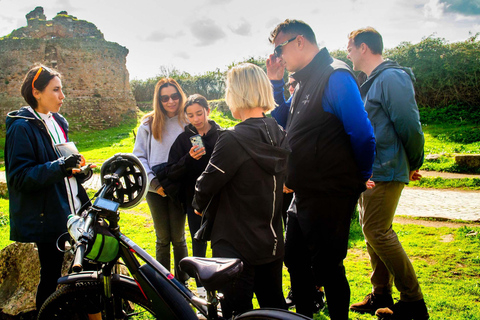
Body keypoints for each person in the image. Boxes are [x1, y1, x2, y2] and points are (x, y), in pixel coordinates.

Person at [268, 19, 376, 319]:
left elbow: (363, 133)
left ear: (300, 42)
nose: (278, 56)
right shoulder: (304, 79)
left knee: (327, 267)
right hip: (304, 194)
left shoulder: (335, 75)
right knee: (294, 259)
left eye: (280, 48)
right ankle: (304, 314)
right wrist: (277, 83)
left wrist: (360, 177)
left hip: (329, 194)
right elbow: (284, 120)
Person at [192, 63, 290, 318]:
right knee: (274, 308)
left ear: (237, 93)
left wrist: (197, 203)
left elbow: (208, 182)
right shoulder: (278, 132)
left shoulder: (233, 138)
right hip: (271, 238)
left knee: (236, 310)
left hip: (235, 240)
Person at [347, 27, 428, 320]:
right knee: (371, 232)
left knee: (377, 231)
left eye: (350, 48)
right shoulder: (373, 81)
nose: (348, 53)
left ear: (364, 48)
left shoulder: (392, 78)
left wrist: (414, 161)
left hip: (386, 170)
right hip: (374, 170)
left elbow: (409, 124)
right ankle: (380, 294)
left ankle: (413, 302)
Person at [5, 64, 93, 310]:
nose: (62, 96)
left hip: (75, 208)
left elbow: (62, 168)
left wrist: (79, 171)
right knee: (51, 277)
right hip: (50, 214)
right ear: (36, 92)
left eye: (61, 90)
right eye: (56, 90)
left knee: (88, 270)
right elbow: (19, 177)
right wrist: (60, 166)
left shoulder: (58, 121)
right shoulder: (21, 127)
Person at [266, 62, 326, 312]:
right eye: (289, 85)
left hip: (314, 186)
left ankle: (315, 293)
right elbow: (278, 115)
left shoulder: (316, 102)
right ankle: (303, 298)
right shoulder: (292, 106)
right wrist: (277, 83)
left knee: (318, 252)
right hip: (290, 187)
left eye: (295, 84)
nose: (292, 88)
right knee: (293, 251)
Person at [160, 94, 220, 297]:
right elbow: (170, 171)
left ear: (208, 111)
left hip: (219, 198)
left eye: (199, 113)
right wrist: (188, 158)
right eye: (191, 115)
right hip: (194, 199)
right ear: (186, 116)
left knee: (221, 240)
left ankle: (223, 281)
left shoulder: (221, 135)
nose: (196, 119)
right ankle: (202, 287)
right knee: (198, 240)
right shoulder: (183, 139)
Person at [133, 78, 189, 283]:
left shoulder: (187, 121)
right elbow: (139, 156)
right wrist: (154, 184)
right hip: (155, 187)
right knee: (163, 238)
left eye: (174, 96)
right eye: (165, 98)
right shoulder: (148, 123)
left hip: (178, 187)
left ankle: (182, 283)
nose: (171, 101)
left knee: (179, 237)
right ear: (159, 100)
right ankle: (165, 283)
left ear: (180, 96)